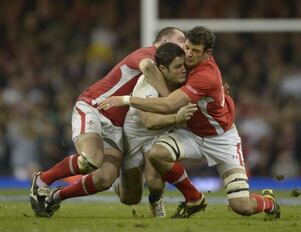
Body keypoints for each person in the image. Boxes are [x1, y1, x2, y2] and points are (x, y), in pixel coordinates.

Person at [98, 26, 281, 219]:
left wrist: (126, 100)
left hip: (222, 139)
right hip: (192, 134)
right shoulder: (185, 61)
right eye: (187, 48)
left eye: (195, 51)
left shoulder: (205, 75)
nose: (189, 54)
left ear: (207, 54)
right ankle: (193, 198)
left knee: (241, 206)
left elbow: (169, 104)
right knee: (157, 154)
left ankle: (269, 202)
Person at [29, 27, 186, 217]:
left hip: (118, 125)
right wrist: (168, 100)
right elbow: (147, 66)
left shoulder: (175, 67)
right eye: (180, 39)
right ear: (163, 40)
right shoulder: (148, 54)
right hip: (94, 107)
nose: (184, 44)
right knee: (91, 160)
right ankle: (42, 180)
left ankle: (56, 196)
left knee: (107, 180)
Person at [115, 42, 198, 218]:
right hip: (134, 138)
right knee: (130, 198)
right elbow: (150, 122)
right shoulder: (147, 86)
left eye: (183, 65)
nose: (183, 70)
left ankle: (155, 200)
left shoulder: (184, 78)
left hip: (159, 136)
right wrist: (177, 118)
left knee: (154, 182)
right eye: (177, 67)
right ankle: (119, 183)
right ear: (162, 69)